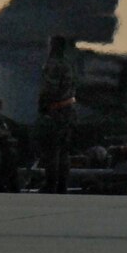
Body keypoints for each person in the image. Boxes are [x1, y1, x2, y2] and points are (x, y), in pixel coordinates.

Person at [35, 35, 78, 194]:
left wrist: (43, 107)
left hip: (56, 110)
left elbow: (49, 89)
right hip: (69, 109)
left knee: (52, 150)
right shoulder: (68, 64)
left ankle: (51, 184)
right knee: (64, 151)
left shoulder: (53, 65)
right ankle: (62, 185)